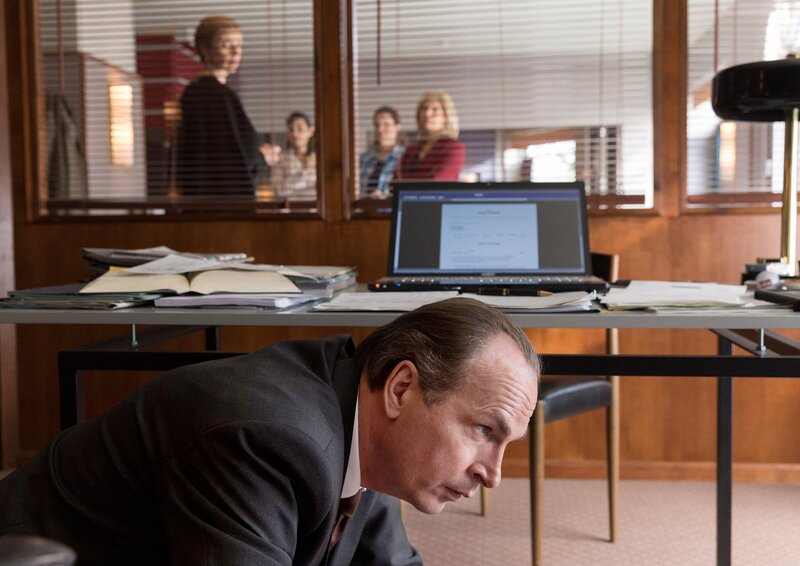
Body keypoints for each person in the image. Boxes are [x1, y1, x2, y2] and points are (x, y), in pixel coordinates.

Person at [0, 298, 540, 565]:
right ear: (402, 388)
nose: (492, 475)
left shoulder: (365, 418)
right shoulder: (267, 438)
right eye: (482, 429)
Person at [175, 16, 277, 196]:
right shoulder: (216, 96)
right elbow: (233, 158)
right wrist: (263, 156)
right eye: (226, 45)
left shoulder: (198, 92)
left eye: (239, 45)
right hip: (222, 202)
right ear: (205, 49)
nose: (236, 52)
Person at [397, 91, 466, 181]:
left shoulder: (454, 148)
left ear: (446, 116)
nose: (427, 114)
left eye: (434, 109)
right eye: (424, 109)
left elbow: (437, 182)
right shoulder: (411, 150)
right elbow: (398, 181)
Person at [265, 111, 317, 201]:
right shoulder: (280, 158)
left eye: (300, 129)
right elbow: (280, 190)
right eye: (291, 130)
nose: (295, 134)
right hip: (291, 208)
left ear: (310, 131)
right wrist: (306, 172)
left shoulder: (320, 159)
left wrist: (292, 186)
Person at [359, 106, 406, 198]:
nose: (380, 130)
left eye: (386, 125)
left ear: (397, 127)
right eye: (377, 125)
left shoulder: (405, 157)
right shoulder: (364, 158)